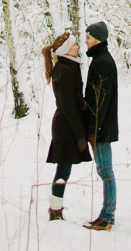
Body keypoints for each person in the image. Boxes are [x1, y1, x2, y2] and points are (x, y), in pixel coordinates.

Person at [42, 31, 90, 221]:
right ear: (65, 50)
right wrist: (79, 135)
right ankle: (55, 210)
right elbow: (68, 106)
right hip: (65, 126)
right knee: (63, 169)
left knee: (64, 169)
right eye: (74, 45)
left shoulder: (69, 67)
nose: (78, 47)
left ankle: (56, 208)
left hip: (68, 124)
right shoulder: (63, 70)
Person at [83, 20, 118, 231]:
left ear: (97, 38)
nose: (85, 40)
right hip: (100, 127)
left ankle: (107, 216)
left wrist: (94, 130)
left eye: (88, 37)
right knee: (105, 172)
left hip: (101, 129)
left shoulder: (103, 62)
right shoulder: (99, 59)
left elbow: (101, 100)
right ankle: (106, 215)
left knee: (106, 172)